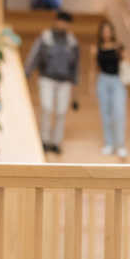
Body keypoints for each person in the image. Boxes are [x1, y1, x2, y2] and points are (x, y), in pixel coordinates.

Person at [24, 10, 80, 155]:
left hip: (65, 81)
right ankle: (44, 140)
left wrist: (75, 83)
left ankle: (56, 142)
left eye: (66, 22)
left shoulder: (72, 41)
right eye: (61, 20)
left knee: (61, 111)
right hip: (47, 78)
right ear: (56, 21)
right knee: (47, 107)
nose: (63, 24)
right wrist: (27, 73)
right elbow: (34, 56)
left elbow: (76, 65)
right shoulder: (46, 38)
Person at [91, 21, 130, 159]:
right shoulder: (96, 48)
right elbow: (92, 69)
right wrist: (92, 87)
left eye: (108, 30)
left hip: (117, 82)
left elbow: (128, 64)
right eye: (104, 30)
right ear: (101, 33)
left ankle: (120, 145)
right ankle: (109, 143)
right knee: (106, 114)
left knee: (119, 114)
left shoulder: (119, 47)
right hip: (102, 81)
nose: (106, 33)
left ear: (112, 32)